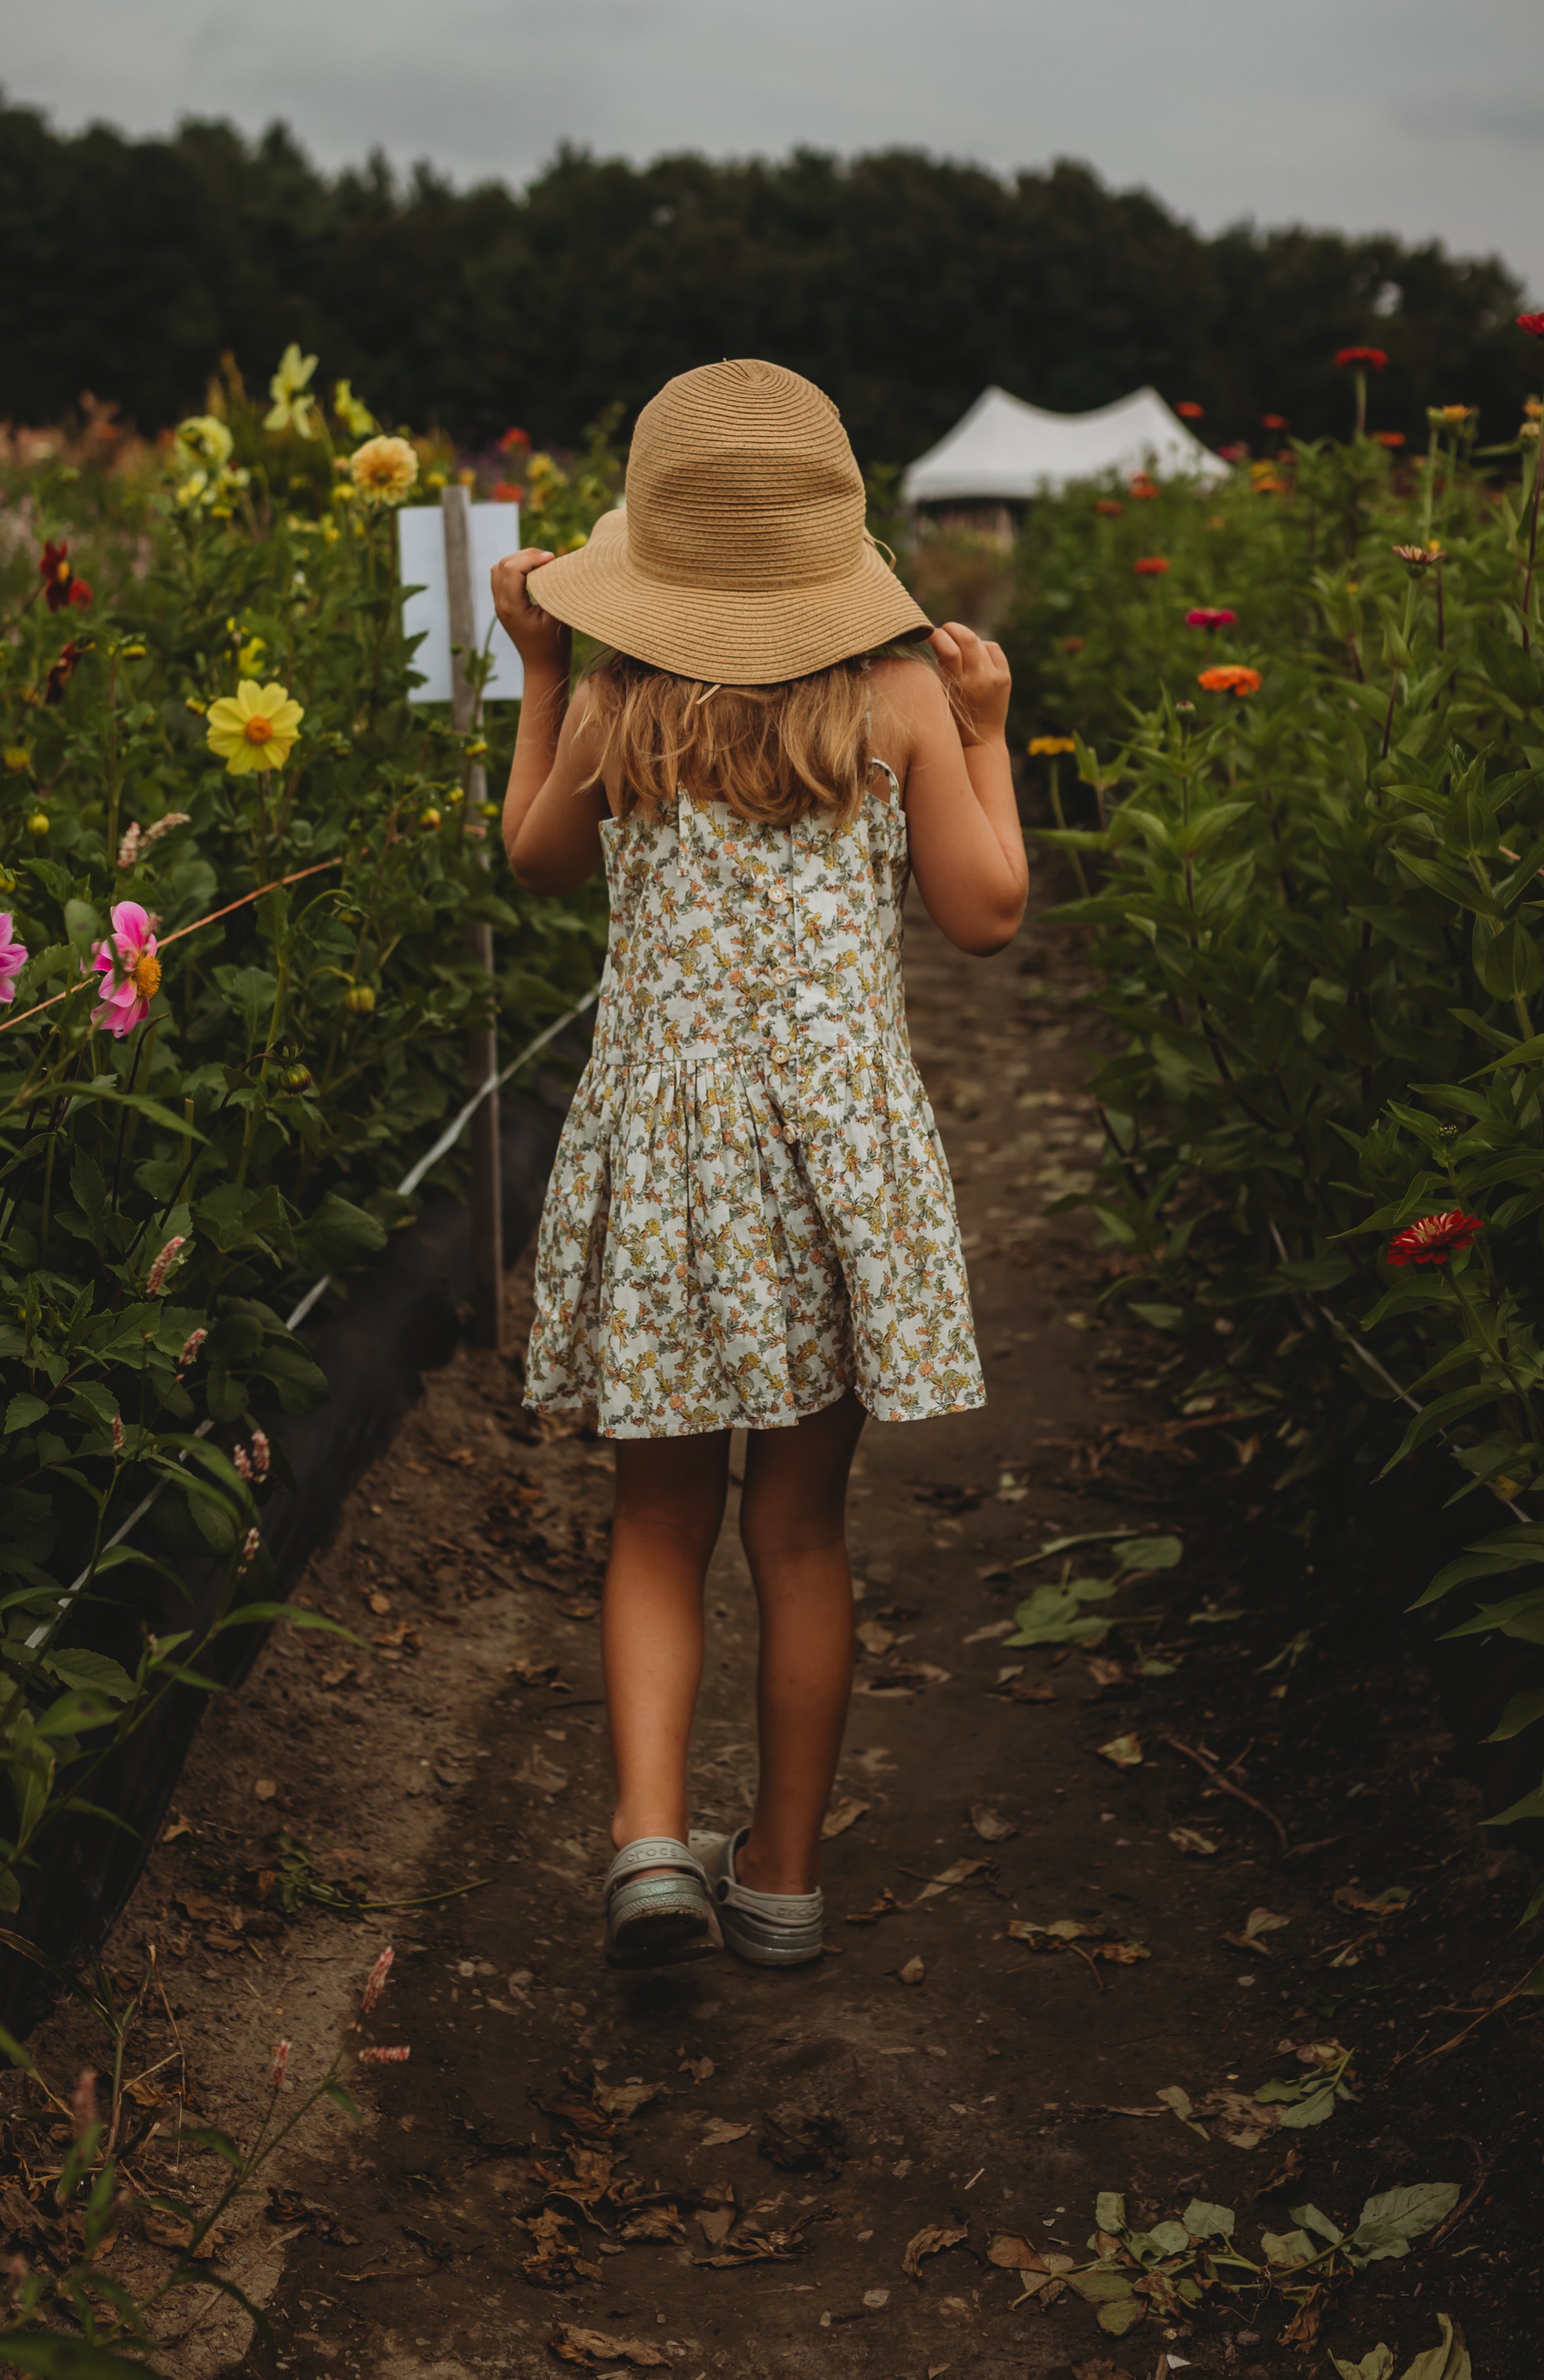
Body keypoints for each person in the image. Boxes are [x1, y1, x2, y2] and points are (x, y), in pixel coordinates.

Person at [490, 358, 1026, 1971]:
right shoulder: (902, 701)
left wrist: (541, 669)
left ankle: (650, 1848)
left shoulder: (619, 705)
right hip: (828, 1160)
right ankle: (781, 1873)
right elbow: (989, 911)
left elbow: (532, 859)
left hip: (666, 1150)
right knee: (801, 1531)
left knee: (654, 1521)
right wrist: (991, 735)